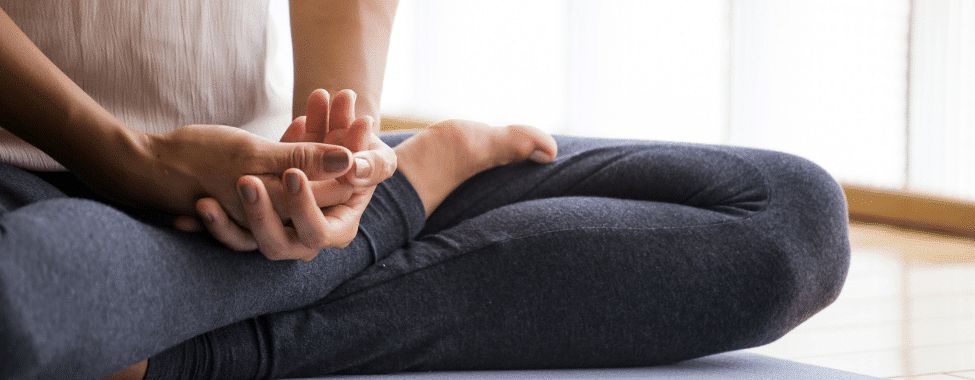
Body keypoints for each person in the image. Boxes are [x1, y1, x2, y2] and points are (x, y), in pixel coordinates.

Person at [0, 1, 851, 380]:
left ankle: (156, 344)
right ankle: (411, 199)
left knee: (788, 216)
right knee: (17, 301)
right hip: (24, 174)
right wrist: (128, 157)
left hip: (254, 165)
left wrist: (342, 170)